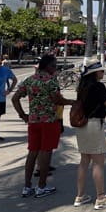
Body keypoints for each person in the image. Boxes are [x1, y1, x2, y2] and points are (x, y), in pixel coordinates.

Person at [12, 54, 74, 198]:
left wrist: (23, 115)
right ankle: (41, 186)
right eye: (54, 66)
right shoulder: (51, 81)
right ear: (48, 66)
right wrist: (73, 102)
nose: (55, 68)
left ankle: (27, 186)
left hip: (33, 122)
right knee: (46, 152)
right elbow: (57, 100)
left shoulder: (29, 80)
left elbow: (15, 99)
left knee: (32, 152)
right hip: (49, 121)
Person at [73, 58, 106, 210]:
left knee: (84, 160)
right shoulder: (98, 86)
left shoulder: (82, 87)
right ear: (95, 73)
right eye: (101, 71)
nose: (103, 72)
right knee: (98, 162)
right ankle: (101, 197)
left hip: (82, 125)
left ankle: (80, 196)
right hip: (94, 125)